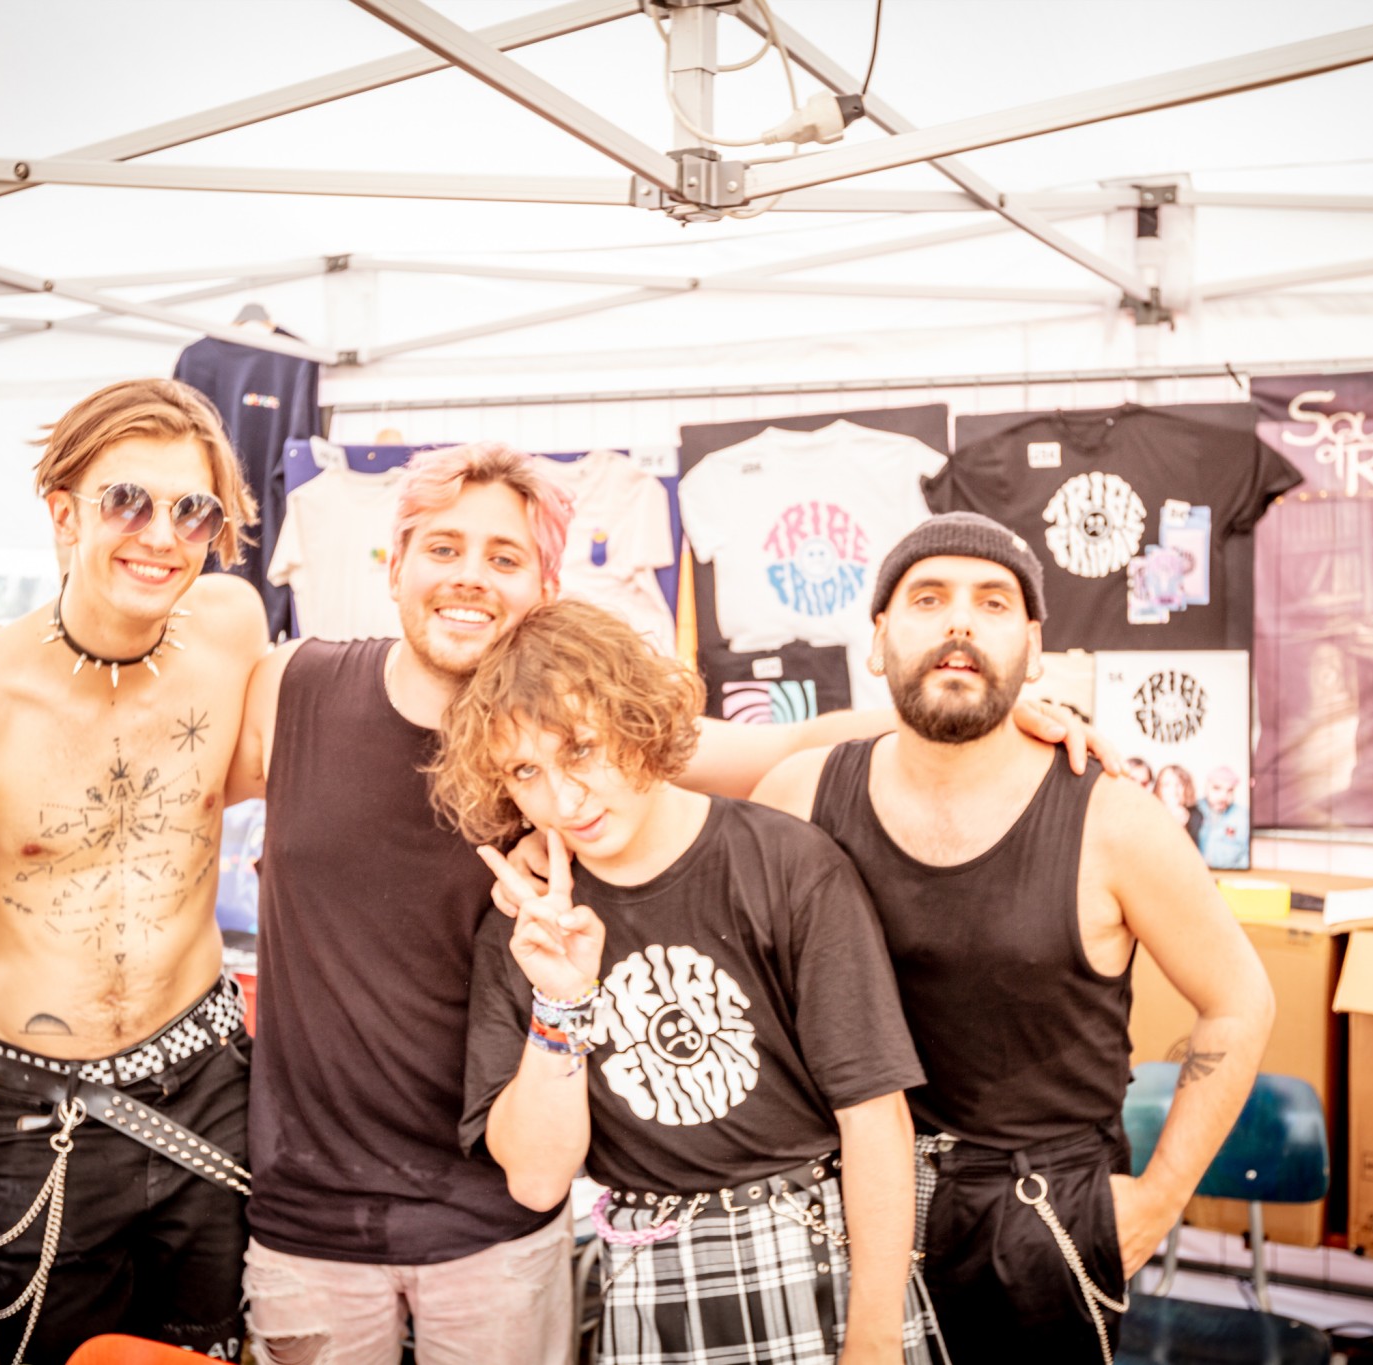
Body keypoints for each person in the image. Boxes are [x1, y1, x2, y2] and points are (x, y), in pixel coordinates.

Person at [224, 444, 1105, 1365]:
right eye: (443, 547)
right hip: (313, 1216)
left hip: (499, 1227)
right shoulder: (292, 688)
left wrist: (994, 715)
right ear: (394, 560)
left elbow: (793, 745)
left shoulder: (611, 756)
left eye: (504, 555)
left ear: (545, 586)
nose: (470, 576)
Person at [746, 512, 1276, 1364]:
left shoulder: (1115, 821)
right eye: (928, 598)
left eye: (993, 602)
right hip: (835, 1196)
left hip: (1036, 1220)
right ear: (877, 639)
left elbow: (1240, 1000)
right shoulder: (797, 796)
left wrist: (1159, 1197)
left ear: (1034, 650)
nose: (959, 621)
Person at [439, 600, 939, 1365]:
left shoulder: (787, 865)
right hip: (650, 1267)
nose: (564, 799)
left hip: (822, 1246)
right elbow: (537, 1180)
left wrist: (873, 1338)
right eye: (526, 771)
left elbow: (875, 1118)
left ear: (636, 718)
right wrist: (561, 1002)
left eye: (581, 748)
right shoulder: (526, 922)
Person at [0, 379, 269, 1365]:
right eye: (126, 501)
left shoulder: (231, 628)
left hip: (210, 1086)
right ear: (62, 514)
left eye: (193, 510)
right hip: (36, 1117)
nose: (161, 536)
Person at [1195, 766, 1250, 869]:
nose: (1223, 796)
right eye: (1217, 788)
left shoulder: (1243, 817)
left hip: (1229, 876)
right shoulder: (1192, 811)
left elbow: (1246, 859)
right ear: (1206, 788)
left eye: (1230, 790)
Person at [1154, 762, 1201, 847]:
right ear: (1158, 788)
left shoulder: (1196, 816)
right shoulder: (1151, 813)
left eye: (1179, 784)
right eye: (1166, 785)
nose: (1173, 791)